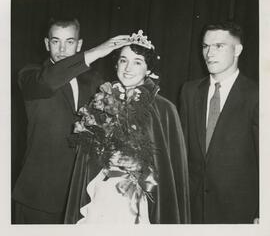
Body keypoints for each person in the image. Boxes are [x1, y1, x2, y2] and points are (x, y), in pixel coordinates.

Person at [12, 17, 132, 224]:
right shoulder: (30, 75)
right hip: (39, 195)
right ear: (46, 44)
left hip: (80, 193)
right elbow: (48, 82)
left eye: (69, 42)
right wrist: (96, 52)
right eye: (55, 41)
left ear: (79, 44)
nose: (61, 48)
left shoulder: (94, 80)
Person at [64, 30, 191, 224]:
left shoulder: (164, 109)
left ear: (148, 69)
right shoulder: (99, 103)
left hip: (138, 199)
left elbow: (168, 170)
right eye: (123, 60)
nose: (128, 68)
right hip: (102, 193)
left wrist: (141, 168)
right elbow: (86, 159)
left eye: (137, 62)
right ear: (116, 64)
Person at [179, 22, 259, 223]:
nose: (209, 53)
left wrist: (262, 211)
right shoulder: (189, 91)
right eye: (205, 46)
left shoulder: (258, 95)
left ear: (237, 50)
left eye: (219, 46)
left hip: (239, 213)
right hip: (193, 210)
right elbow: (182, 152)